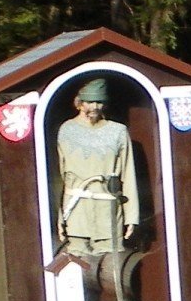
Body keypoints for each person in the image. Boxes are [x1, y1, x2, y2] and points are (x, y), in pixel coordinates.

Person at [56, 77, 137, 258]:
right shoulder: (66, 130)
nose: (95, 107)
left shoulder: (118, 131)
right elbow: (58, 176)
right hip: (76, 210)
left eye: (99, 102)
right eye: (90, 102)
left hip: (107, 211)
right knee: (76, 263)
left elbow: (128, 174)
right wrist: (58, 215)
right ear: (79, 103)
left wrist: (131, 216)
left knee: (110, 265)